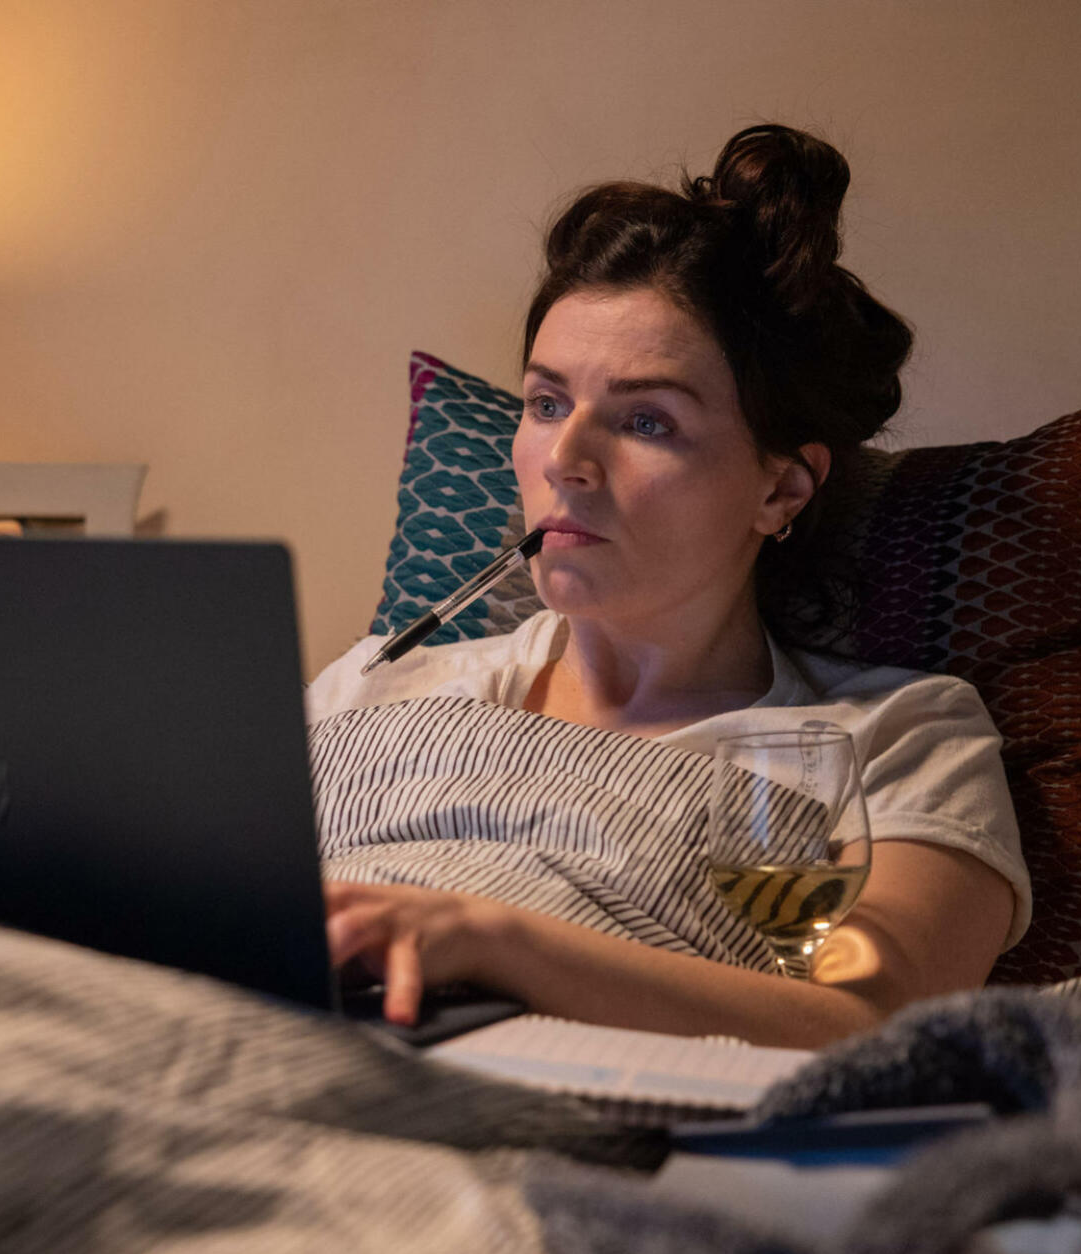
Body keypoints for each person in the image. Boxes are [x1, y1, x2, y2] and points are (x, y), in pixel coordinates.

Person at [306, 125, 1028, 1049]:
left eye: (645, 420)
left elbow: (870, 1019)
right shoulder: (372, 687)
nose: (565, 459)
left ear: (779, 488)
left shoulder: (895, 739)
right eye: (545, 403)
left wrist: (496, 941)